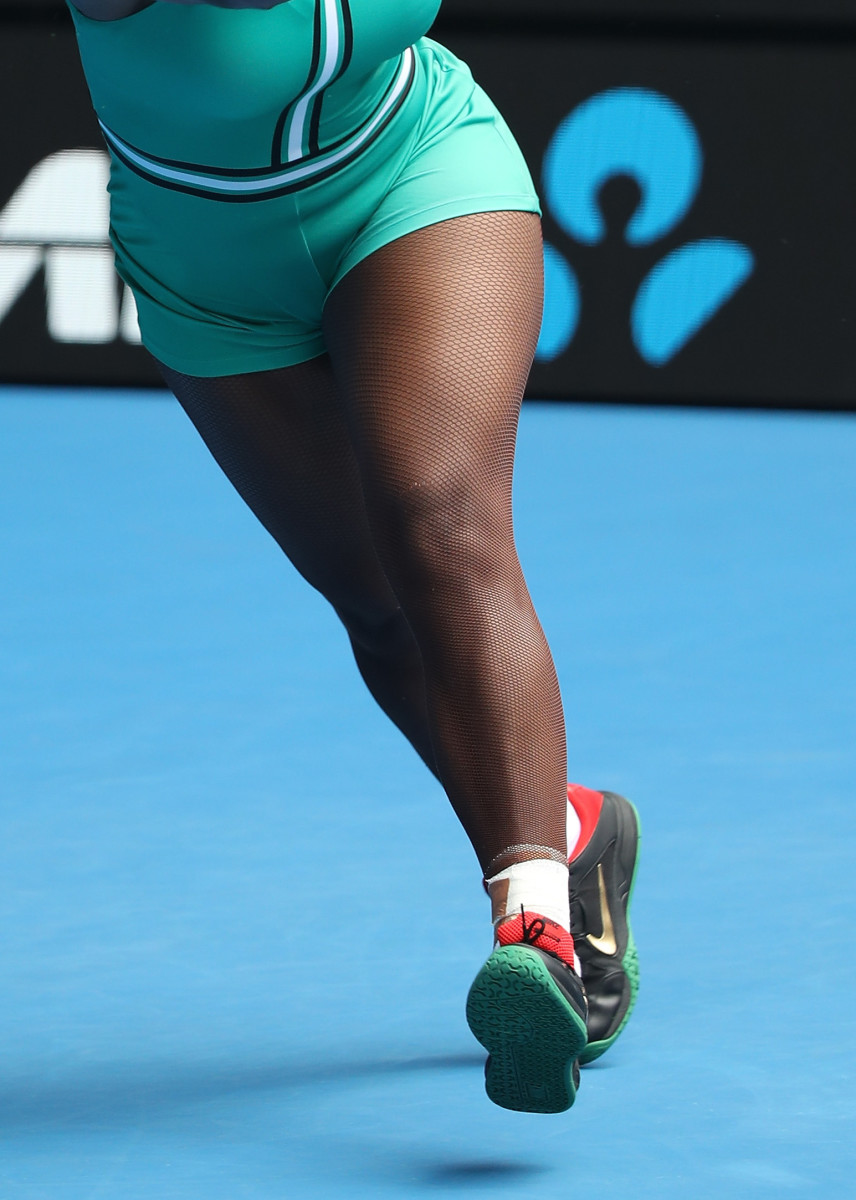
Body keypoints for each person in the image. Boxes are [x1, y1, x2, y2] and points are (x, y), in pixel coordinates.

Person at [67, 0, 640, 1113]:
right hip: (204, 272)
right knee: (378, 607)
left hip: (413, 175)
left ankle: (536, 931)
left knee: (439, 521)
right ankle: (568, 830)